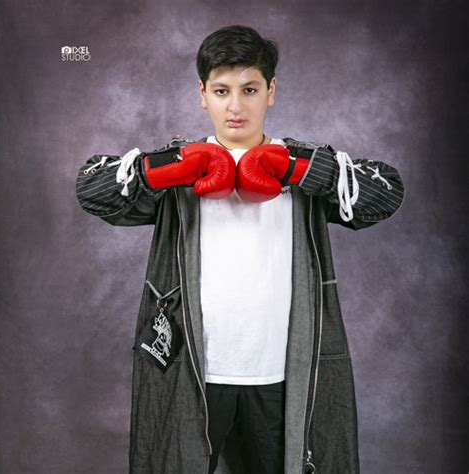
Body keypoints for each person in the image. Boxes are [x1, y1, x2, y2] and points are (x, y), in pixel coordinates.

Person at [75, 25, 404, 474]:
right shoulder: (180, 169)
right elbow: (91, 190)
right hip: (192, 372)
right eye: (221, 90)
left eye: (249, 89)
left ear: (272, 92)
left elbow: (386, 194)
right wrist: (163, 169)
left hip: (281, 376)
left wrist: (300, 168)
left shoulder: (302, 169)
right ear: (202, 94)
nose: (235, 106)